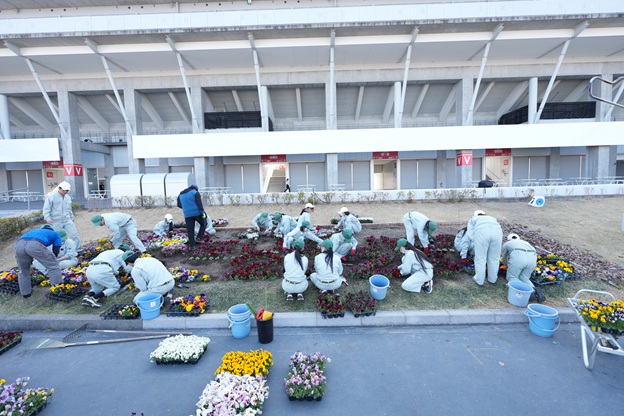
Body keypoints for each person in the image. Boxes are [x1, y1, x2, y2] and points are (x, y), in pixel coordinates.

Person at [14, 225, 63, 298]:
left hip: (19, 245)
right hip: (35, 244)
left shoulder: (34, 231)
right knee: (53, 266)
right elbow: (56, 249)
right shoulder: (55, 234)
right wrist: (51, 259)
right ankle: (57, 291)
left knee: (23, 270)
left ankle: (26, 293)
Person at [466, 210, 503, 286]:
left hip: (482, 232)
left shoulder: (473, 218)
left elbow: (470, 233)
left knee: (480, 258)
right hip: (497, 232)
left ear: (476, 215)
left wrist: (475, 241)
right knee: (494, 258)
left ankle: (479, 280)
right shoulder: (492, 218)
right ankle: (492, 279)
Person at [42, 181, 82, 252]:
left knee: (75, 235)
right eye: (64, 190)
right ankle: (56, 252)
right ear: (59, 188)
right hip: (55, 221)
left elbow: (69, 209)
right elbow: (46, 209)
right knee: (56, 237)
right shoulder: (51, 197)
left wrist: (71, 217)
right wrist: (47, 218)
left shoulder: (68, 197)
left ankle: (79, 250)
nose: (66, 192)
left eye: (67, 190)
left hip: (67, 220)